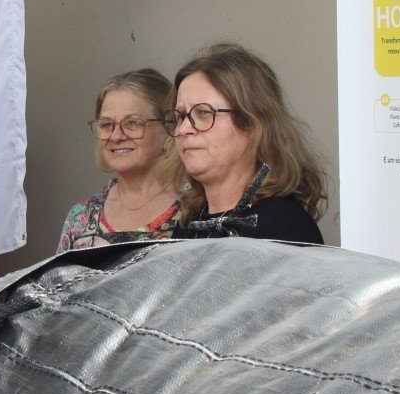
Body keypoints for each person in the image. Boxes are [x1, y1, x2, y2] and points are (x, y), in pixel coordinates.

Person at [171, 42, 327, 244]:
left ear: (252, 123)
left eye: (203, 113)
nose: (184, 129)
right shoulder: (190, 223)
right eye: (180, 116)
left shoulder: (283, 226)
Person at [57, 68, 181, 251]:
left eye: (132, 123)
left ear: (169, 131)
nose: (116, 136)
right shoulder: (80, 217)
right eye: (107, 125)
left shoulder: (196, 213)